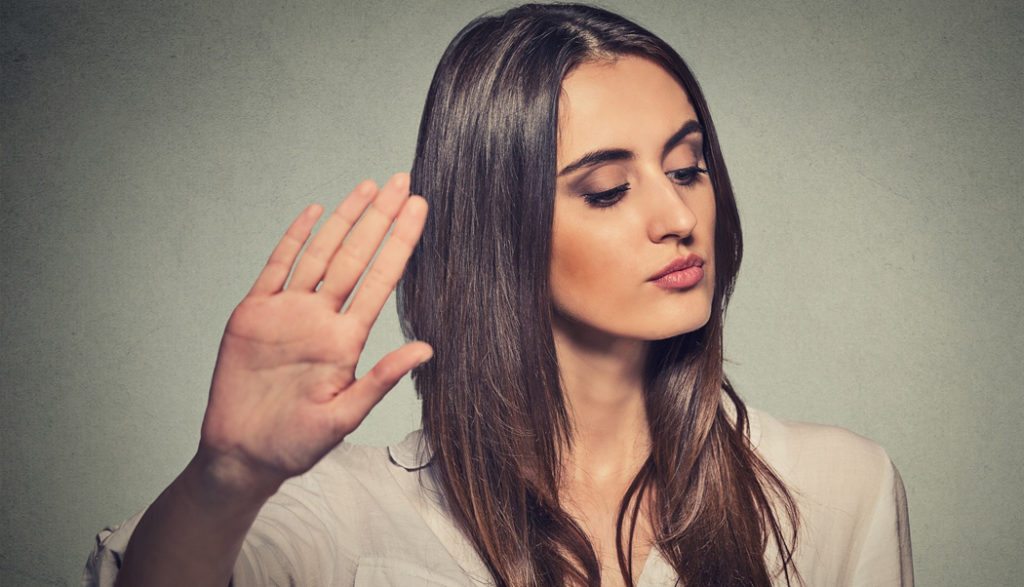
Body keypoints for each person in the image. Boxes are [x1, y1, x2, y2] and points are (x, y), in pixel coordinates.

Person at [81, 3, 913, 586]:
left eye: (688, 167)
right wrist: (225, 478)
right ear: (498, 224)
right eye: (608, 190)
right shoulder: (343, 514)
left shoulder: (841, 488)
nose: (678, 216)